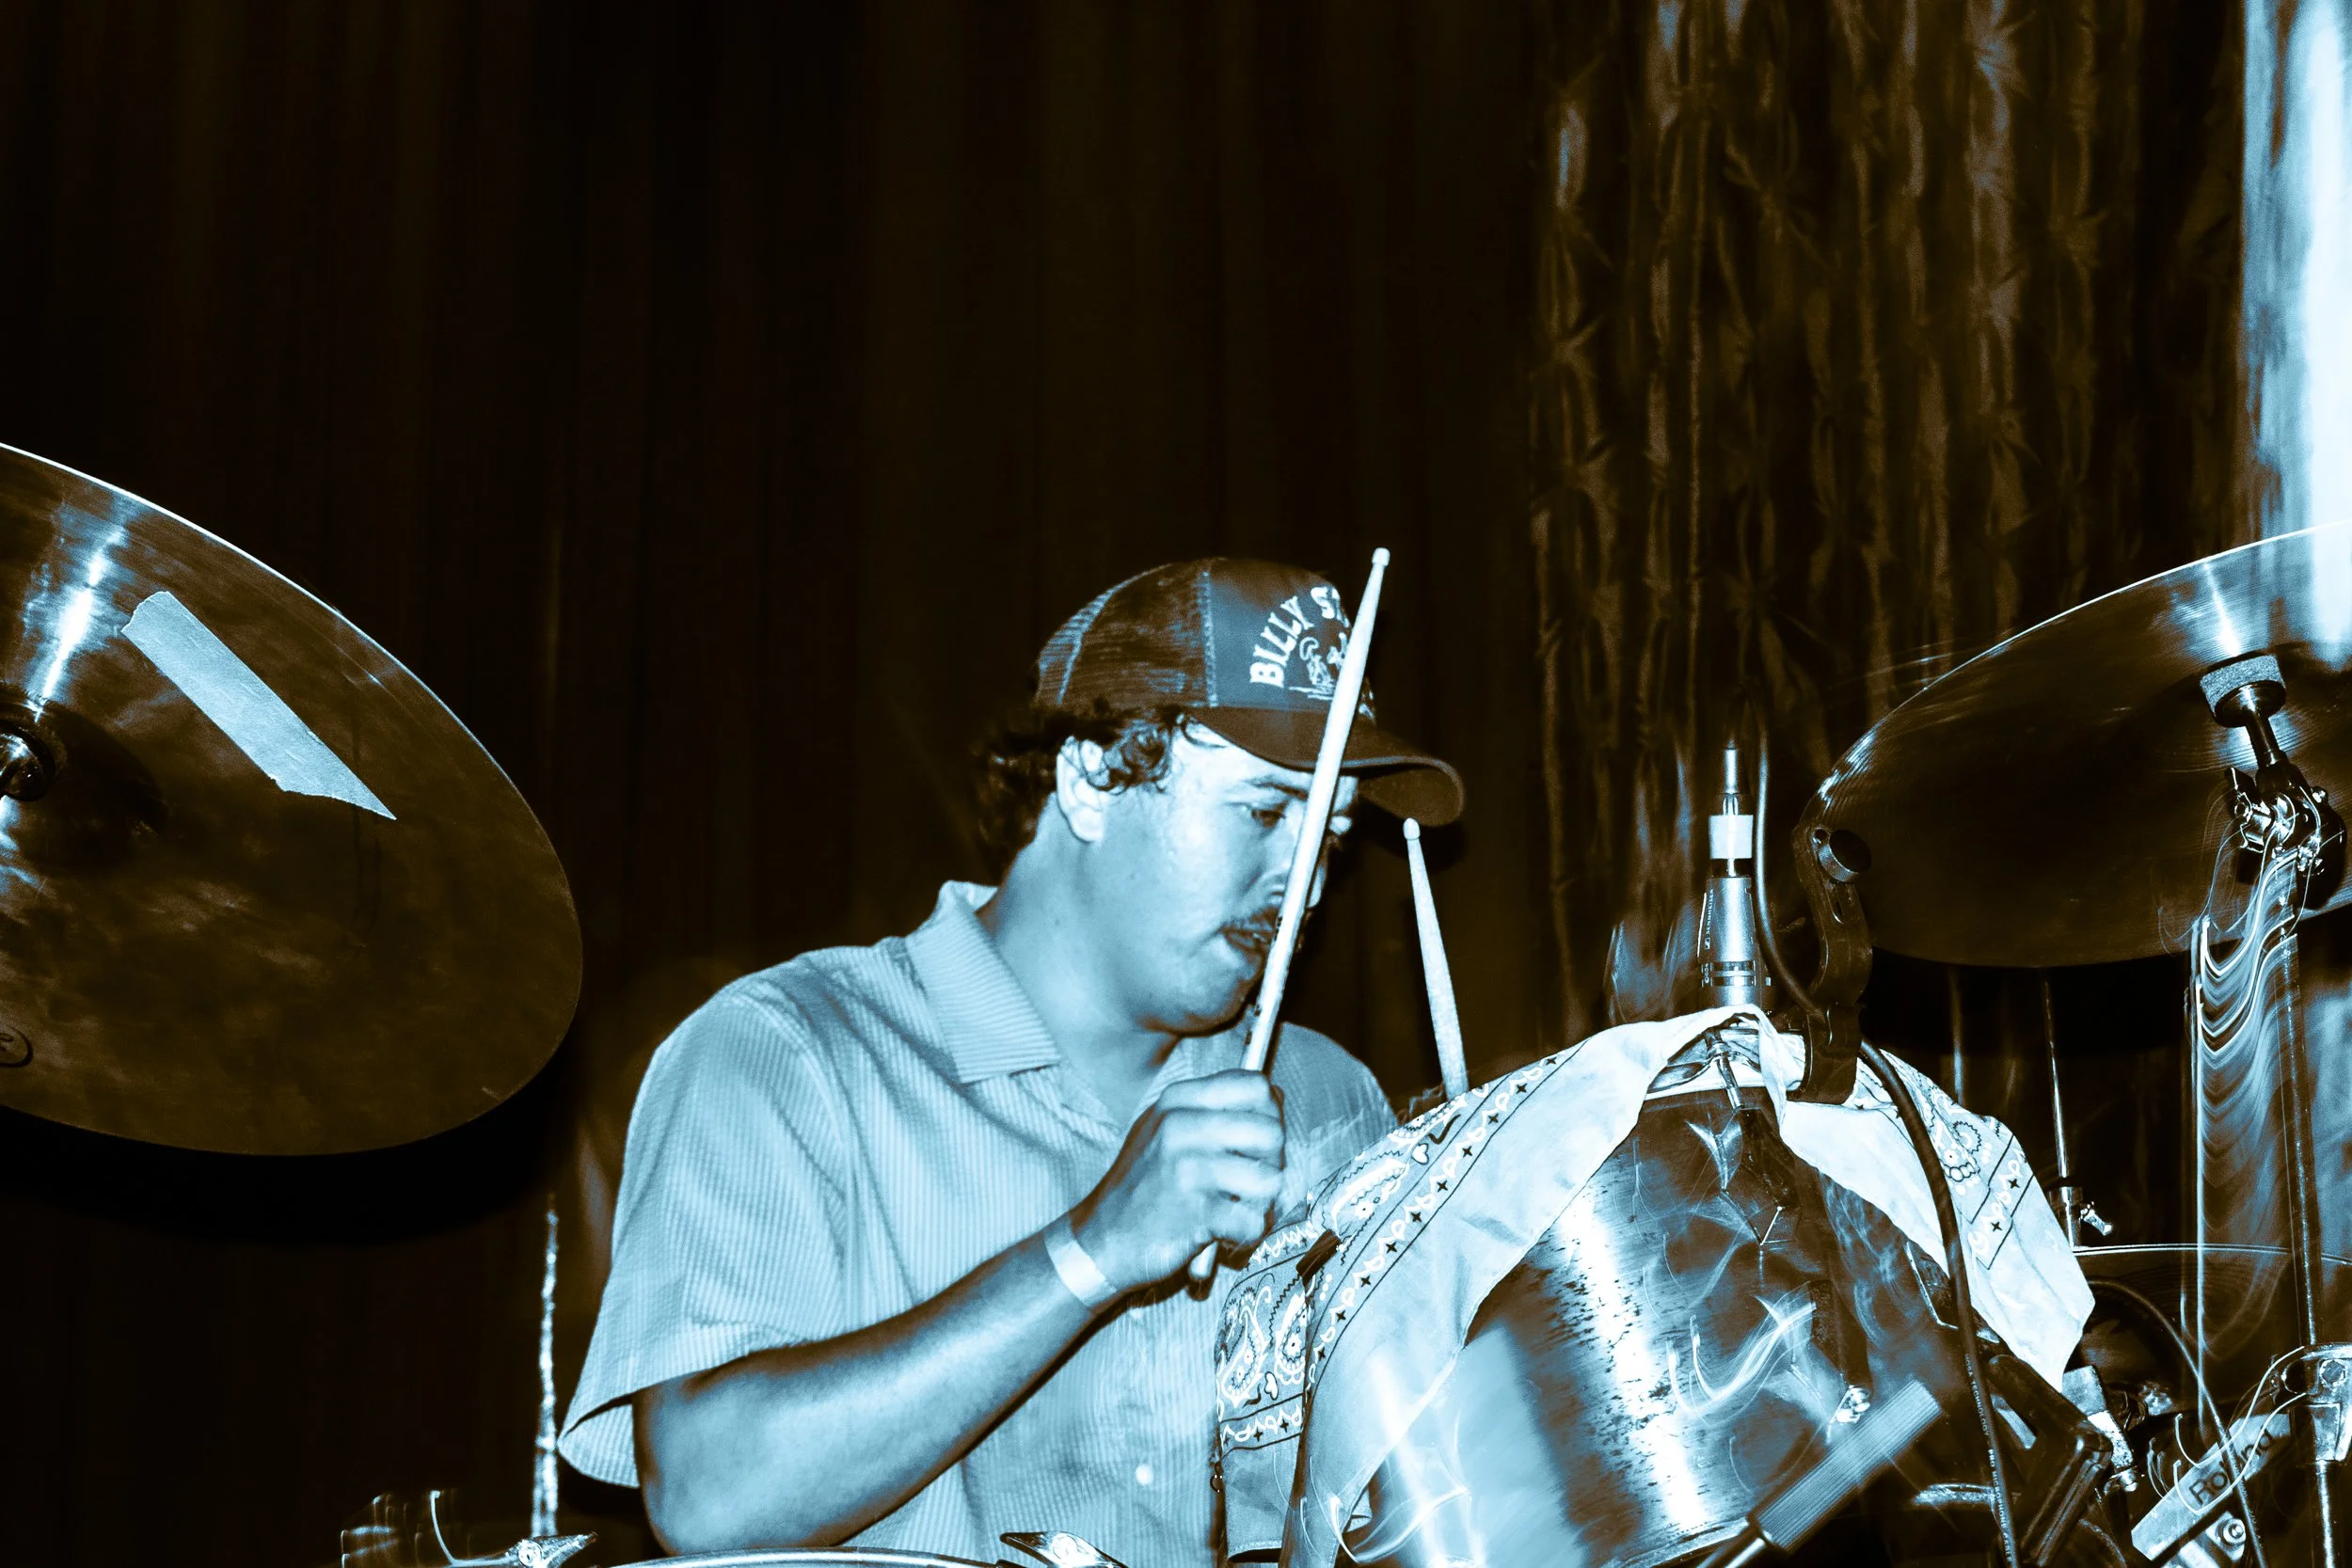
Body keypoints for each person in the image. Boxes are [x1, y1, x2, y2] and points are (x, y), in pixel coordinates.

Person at [559, 558, 1464, 1565]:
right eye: (1261, 812)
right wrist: (1090, 1251)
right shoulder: (785, 1050)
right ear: (1088, 778)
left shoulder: (1330, 1098)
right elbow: (708, 1491)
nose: (1300, 884)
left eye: (1331, 835)